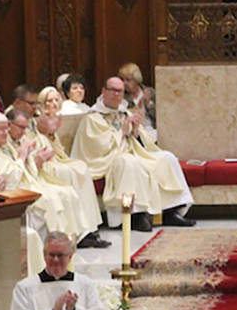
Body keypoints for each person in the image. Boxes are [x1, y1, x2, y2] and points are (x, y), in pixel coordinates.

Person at [70, 76, 195, 232]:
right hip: (109, 159)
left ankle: (171, 211)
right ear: (103, 91)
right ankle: (131, 215)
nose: (117, 94)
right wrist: (122, 132)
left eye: (120, 91)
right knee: (128, 163)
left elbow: (145, 140)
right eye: (113, 90)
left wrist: (136, 132)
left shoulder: (125, 113)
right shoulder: (93, 117)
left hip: (133, 152)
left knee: (167, 158)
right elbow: (97, 147)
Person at [0, 109, 99, 242]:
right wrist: (29, 159)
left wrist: (35, 159)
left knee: (68, 192)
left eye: (26, 128)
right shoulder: (2, 145)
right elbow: (10, 175)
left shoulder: (20, 140)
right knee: (52, 198)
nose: (24, 132)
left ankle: (76, 236)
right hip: (21, 185)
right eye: (21, 127)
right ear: (9, 124)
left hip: (32, 179)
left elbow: (33, 164)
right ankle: (55, 242)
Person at [32, 112, 110, 248]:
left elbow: (57, 150)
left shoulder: (34, 121)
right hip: (39, 170)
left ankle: (89, 228)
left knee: (81, 167)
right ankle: (78, 233)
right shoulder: (28, 122)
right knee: (67, 174)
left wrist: (50, 134)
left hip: (51, 161)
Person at [119, 62, 156, 133]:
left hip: (152, 131)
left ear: (136, 79)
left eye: (128, 80)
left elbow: (160, 116)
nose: (124, 83)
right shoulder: (121, 95)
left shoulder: (150, 92)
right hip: (132, 132)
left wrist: (148, 103)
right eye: (122, 79)